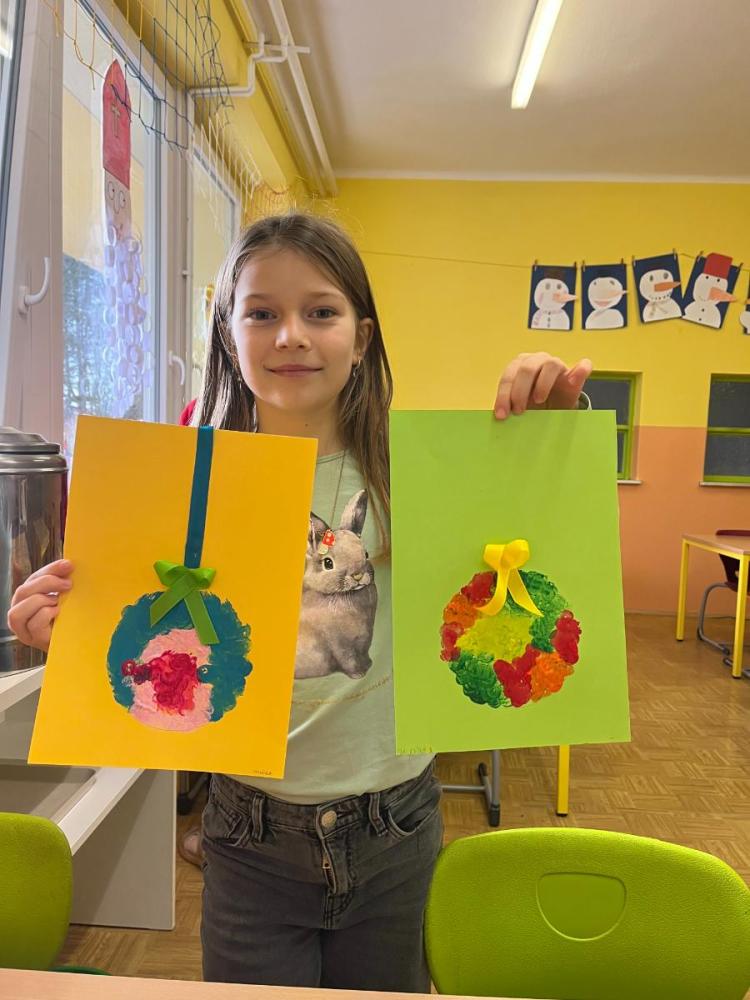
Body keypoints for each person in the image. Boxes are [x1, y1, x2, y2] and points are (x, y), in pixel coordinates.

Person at [8, 213, 592, 991]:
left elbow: (545, 531)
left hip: (394, 825)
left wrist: (552, 426)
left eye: (320, 311)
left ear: (361, 336)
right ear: (228, 335)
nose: (291, 335)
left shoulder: (414, 469)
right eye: (261, 313)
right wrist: (71, 628)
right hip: (250, 830)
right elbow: (146, 628)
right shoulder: (181, 485)